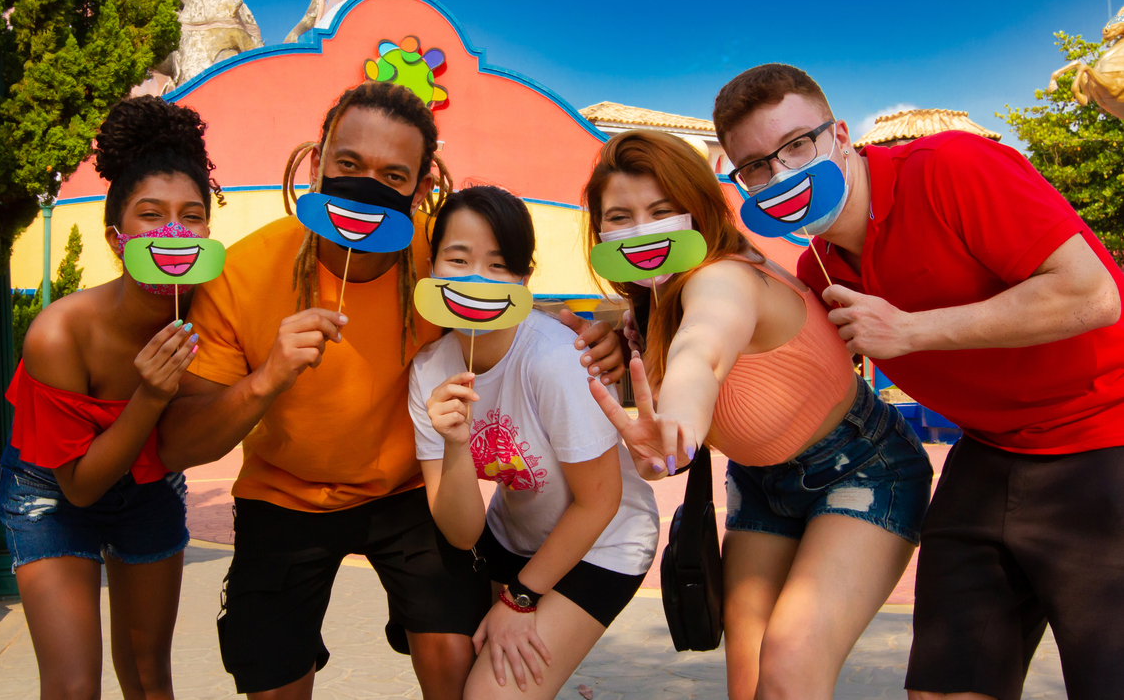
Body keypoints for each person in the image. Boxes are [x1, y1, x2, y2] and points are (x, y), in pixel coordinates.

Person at [155, 81, 626, 700]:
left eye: (392, 173)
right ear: (316, 159)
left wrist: (602, 328)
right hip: (283, 497)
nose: (365, 185)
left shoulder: (444, 257)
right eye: (348, 164)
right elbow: (178, 446)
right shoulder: (242, 272)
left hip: (411, 492)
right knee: (272, 680)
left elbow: (511, 293)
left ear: (422, 186)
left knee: (457, 660)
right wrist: (265, 380)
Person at [711, 63, 1124, 700]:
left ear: (839, 135)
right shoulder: (818, 271)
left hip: (1106, 441)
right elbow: (759, 348)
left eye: (797, 145)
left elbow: (1092, 295)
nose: (781, 173)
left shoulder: (954, 167)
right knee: (942, 689)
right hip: (989, 455)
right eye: (756, 166)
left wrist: (914, 330)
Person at [582, 129, 933, 700]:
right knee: (748, 682)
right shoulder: (650, 301)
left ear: (698, 210)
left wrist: (675, 425)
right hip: (760, 482)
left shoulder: (723, 277)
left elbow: (705, 348)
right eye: (620, 215)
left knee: (791, 667)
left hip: (862, 470)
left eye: (662, 210)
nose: (642, 228)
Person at [0, 95, 222, 700]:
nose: (173, 231)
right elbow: (80, 485)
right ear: (114, 233)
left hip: (148, 484)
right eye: (151, 215)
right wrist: (149, 396)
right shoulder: (59, 333)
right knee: (73, 687)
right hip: (53, 490)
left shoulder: (216, 312)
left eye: (192, 215)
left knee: (150, 678)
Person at [411, 185, 659, 699]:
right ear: (431, 267)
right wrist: (455, 445)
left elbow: (600, 502)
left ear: (524, 279)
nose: (476, 278)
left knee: (491, 694)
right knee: (456, 667)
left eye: (498, 265)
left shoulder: (554, 360)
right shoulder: (428, 371)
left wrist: (520, 600)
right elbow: (461, 533)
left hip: (605, 542)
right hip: (514, 538)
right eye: (458, 259)